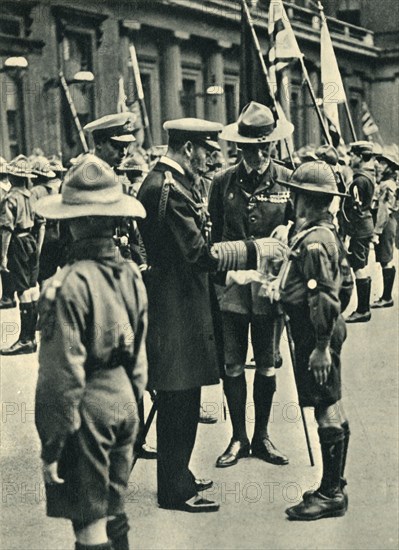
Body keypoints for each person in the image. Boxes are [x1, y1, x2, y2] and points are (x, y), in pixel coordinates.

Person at [137, 117, 285, 512]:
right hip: (175, 308)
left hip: (184, 303)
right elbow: (198, 253)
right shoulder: (168, 187)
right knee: (177, 398)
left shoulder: (173, 183)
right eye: (206, 150)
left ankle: (179, 474)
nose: (211, 159)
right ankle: (174, 490)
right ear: (188, 149)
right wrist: (256, 250)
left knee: (184, 397)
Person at [35, 154, 148, 550]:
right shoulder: (131, 273)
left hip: (88, 408)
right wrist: (133, 401)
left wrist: (52, 445)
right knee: (114, 509)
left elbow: (60, 378)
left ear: (75, 221)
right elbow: (139, 354)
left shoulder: (67, 285)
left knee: (89, 524)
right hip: (124, 402)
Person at [208, 101, 294, 468]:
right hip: (231, 289)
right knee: (231, 365)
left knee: (267, 365)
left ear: (273, 145)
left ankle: (261, 436)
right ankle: (238, 438)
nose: (258, 155)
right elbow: (209, 236)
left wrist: (288, 234)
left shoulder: (288, 180)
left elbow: (298, 235)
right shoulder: (221, 182)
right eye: (250, 148)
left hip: (269, 290)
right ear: (239, 147)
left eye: (265, 147)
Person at [277, 160, 353, 520]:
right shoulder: (325, 232)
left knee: (325, 404)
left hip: (314, 333)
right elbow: (346, 285)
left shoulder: (314, 243)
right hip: (322, 328)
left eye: (294, 194)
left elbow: (323, 295)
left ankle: (330, 493)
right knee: (331, 398)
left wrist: (322, 345)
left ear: (302, 198)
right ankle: (334, 480)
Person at [0, 155, 42, 355]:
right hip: (31, 240)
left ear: (11, 176)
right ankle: (31, 338)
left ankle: (26, 339)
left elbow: (6, 229)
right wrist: (38, 246)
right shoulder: (32, 195)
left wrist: (3, 256)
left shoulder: (10, 198)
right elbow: (40, 222)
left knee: (23, 290)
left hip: (17, 241)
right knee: (32, 289)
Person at [343, 141, 376, 323]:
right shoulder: (369, 176)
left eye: (353, 155)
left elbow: (354, 208)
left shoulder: (359, 181)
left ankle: (363, 310)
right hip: (366, 224)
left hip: (359, 227)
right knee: (360, 265)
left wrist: (348, 232)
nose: (350, 158)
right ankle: (364, 308)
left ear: (360, 157)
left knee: (358, 267)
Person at [371, 149, 399, 307]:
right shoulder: (385, 182)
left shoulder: (387, 185)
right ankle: (385, 296)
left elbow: (383, 209)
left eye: (383, 163)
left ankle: (387, 297)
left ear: (389, 167)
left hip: (385, 223)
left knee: (386, 259)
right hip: (387, 222)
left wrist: (377, 231)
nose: (378, 165)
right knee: (384, 260)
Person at [30, 156, 62, 284]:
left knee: (39, 271)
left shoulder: (34, 192)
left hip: (40, 236)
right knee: (51, 271)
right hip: (55, 233)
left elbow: (32, 215)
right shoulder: (54, 190)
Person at [0, 156, 16, 309]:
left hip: (3, 227)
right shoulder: (10, 186)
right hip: (12, 228)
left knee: (3, 262)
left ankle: (7, 296)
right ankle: (8, 294)